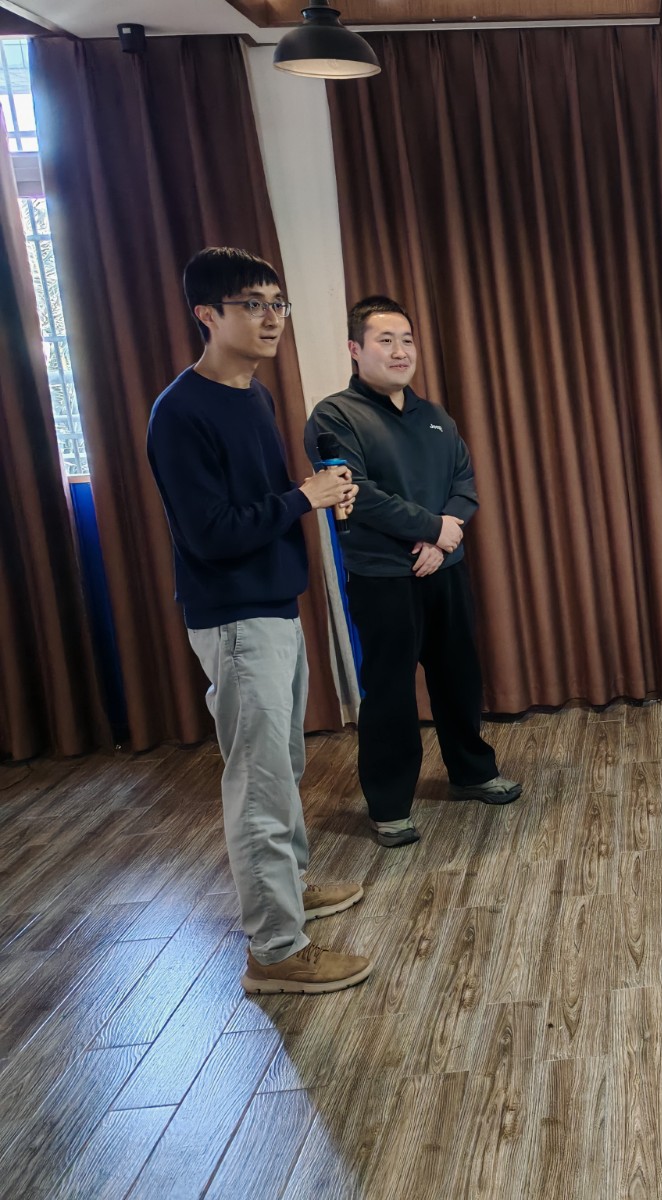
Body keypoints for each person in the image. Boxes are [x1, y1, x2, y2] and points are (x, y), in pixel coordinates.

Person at [147, 248, 371, 995]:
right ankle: (275, 951)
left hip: (273, 602)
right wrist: (303, 498)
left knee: (284, 765)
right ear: (207, 314)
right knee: (258, 784)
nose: (272, 317)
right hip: (235, 617)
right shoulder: (180, 412)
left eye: (278, 302)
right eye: (253, 303)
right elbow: (209, 532)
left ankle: (290, 889)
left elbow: (267, 499)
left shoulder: (254, 394)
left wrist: (319, 489)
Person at [306, 297, 521, 849]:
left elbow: (464, 483)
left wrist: (444, 536)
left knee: (459, 677)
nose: (400, 351)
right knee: (390, 692)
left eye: (406, 339)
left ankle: (472, 772)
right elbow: (356, 493)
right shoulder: (334, 417)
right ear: (355, 350)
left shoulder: (436, 416)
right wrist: (434, 529)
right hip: (382, 576)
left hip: (444, 567)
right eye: (385, 340)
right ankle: (389, 805)